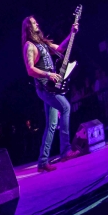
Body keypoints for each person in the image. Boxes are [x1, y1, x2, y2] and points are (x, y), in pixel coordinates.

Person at [21, 16, 79, 172]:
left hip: (50, 88)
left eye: (36, 22)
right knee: (66, 107)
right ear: (28, 27)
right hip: (44, 88)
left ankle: (42, 161)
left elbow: (60, 49)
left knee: (52, 124)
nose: (37, 24)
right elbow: (30, 69)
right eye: (34, 23)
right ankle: (66, 150)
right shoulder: (29, 46)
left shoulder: (42, 43)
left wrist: (71, 34)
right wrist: (48, 74)